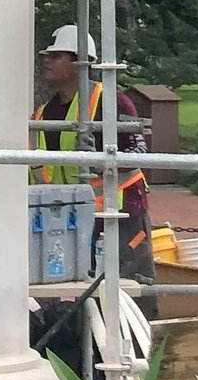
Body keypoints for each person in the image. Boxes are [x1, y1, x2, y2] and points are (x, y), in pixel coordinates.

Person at [34, 25, 154, 272]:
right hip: (75, 214)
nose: (47, 61)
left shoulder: (112, 100)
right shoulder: (44, 113)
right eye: (47, 56)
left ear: (80, 62)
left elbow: (141, 151)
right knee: (84, 288)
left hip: (121, 213)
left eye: (56, 56)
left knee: (127, 291)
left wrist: (102, 162)